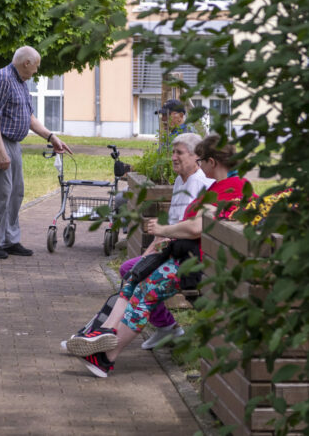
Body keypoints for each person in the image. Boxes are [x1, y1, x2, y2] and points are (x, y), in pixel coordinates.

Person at [64, 134, 252, 378]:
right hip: (192, 257)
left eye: (203, 159)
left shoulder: (230, 187)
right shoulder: (224, 186)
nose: (200, 164)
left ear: (213, 162)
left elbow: (196, 227)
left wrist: (163, 230)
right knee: (136, 278)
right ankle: (103, 335)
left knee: (145, 289)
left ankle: (106, 357)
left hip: (200, 264)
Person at [118, 132, 211, 349]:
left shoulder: (200, 184)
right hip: (173, 248)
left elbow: (188, 229)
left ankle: (167, 328)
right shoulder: (181, 180)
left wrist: (151, 253)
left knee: (134, 273)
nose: (173, 157)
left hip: (187, 255)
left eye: (179, 153)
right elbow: (170, 224)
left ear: (196, 156)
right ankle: (166, 327)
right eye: (172, 152)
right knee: (131, 269)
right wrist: (148, 252)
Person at [0, 46, 72, 259]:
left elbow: (29, 117)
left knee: (16, 191)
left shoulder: (20, 82)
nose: (37, 71)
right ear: (27, 63)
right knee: (3, 191)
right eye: (36, 66)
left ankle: (10, 240)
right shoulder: (2, 78)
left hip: (12, 141)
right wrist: (1, 151)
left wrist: (52, 137)